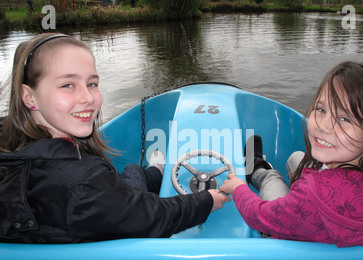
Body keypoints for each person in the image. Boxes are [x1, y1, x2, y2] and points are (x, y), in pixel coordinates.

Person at [0, 33, 231, 244]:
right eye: (68, 85)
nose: (88, 98)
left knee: (132, 172)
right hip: (111, 220)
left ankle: (155, 172)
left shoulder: (11, 145)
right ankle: (156, 171)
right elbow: (155, 216)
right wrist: (208, 200)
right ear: (29, 97)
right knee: (132, 171)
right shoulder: (84, 183)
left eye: (92, 84)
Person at [221, 61, 363, 248]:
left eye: (344, 118)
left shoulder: (311, 195)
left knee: (272, 179)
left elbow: (259, 216)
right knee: (297, 157)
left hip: (290, 240)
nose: (322, 126)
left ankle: (258, 170)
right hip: (324, 213)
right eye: (321, 109)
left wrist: (238, 189)